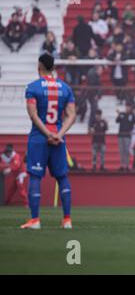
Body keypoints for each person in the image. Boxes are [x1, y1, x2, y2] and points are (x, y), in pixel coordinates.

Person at [21, 53, 76, 229]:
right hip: (58, 139)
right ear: (53, 68)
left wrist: (47, 134)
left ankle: (35, 220)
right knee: (62, 177)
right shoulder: (66, 88)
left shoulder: (33, 87)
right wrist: (58, 134)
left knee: (35, 177)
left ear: (39, 67)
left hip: (39, 138)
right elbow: (72, 115)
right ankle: (67, 220)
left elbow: (33, 114)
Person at [116, 102, 135, 171]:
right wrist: (118, 115)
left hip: (127, 135)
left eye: (129, 107)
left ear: (130, 108)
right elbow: (117, 121)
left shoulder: (132, 115)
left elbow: (133, 123)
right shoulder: (122, 114)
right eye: (126, 107)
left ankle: (127, 165)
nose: (127, 108)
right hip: (121, 135)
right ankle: (122, 165)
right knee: (121, 151)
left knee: (127, 151)